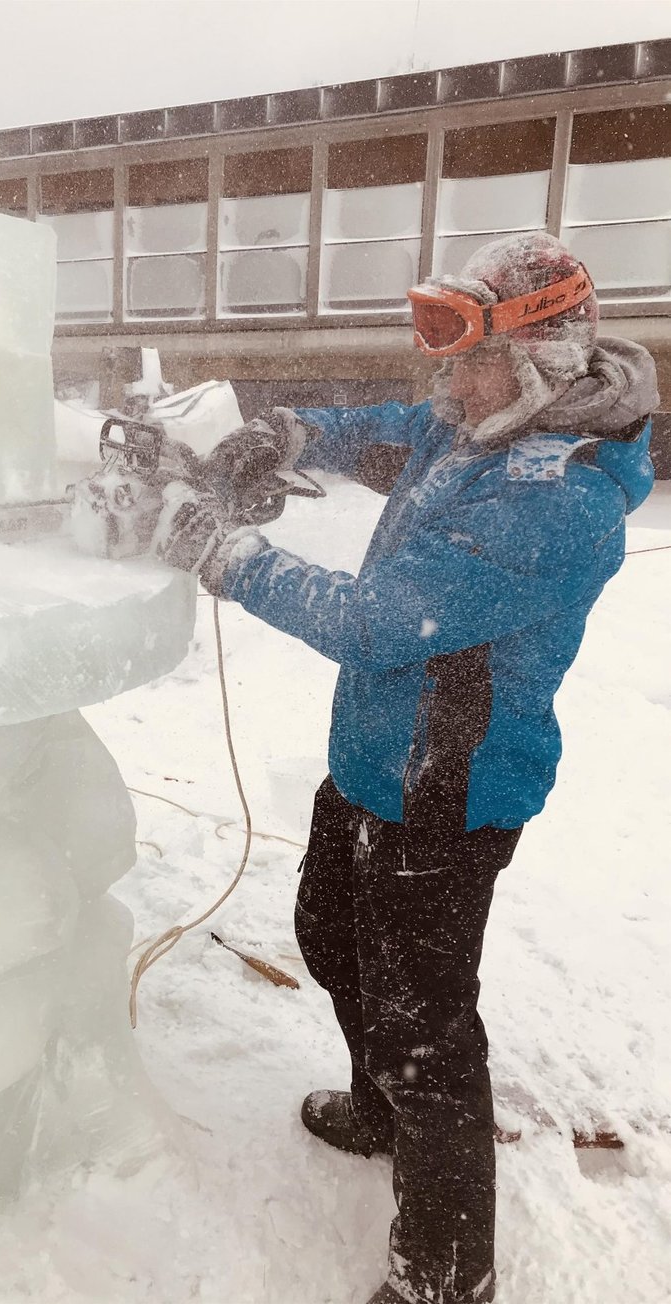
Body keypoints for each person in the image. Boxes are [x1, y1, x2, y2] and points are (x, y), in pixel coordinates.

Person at [153, 231, 658, 1304]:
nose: (442, 379)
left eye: (465, 356)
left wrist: (230, 553)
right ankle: (377, 1107)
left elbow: (384, 620)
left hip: (450, 792)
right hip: (377, 758)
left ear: (536, 362)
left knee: (426, 1030)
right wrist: (289, 430)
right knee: (328, 933)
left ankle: (445, 1271)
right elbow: (384, 430)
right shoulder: (473, 425)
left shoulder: (558, 500)